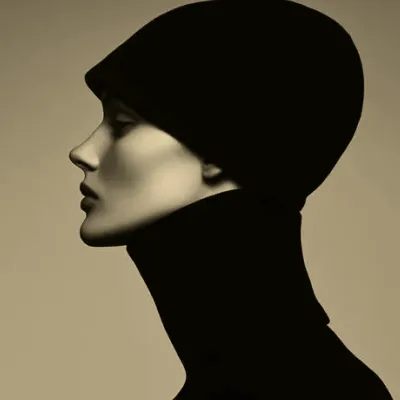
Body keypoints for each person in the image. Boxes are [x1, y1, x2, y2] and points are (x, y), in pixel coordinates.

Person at [69, 0, 394, 398]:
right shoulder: (291, 375)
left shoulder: (309, 386)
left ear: (219, 151)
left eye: (122, 124)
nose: (82, 152)